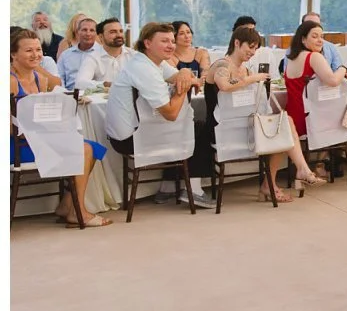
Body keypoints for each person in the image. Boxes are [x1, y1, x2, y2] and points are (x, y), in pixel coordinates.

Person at [205, 26, 327, 203]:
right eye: (250, 47)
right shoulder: (221, 65)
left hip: (245, 128)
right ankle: (282, 179)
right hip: (221, 130)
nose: (253, 52)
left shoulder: (245, 70)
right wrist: (252, 79)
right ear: (237, 43)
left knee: (284, 124)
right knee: (283, 127)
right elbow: (224, 86)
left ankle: (300, 170)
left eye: (256, 48)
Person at [9, 29, 112, 228]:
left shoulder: (41, 80)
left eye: (38, 50)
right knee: (84, 149)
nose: (36, 55)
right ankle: (77, 210)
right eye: (29, 50)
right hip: (16, 144)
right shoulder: (9, 81)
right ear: (13, 54)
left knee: (90, 147)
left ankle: (69, 205)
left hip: (40, 139)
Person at [105, 22, 212, 208]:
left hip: (135, 130)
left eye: (172, 40)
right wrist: (181, 91)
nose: (171, 45)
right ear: (147, 43)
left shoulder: (154, 62)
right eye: (164, 41)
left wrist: (185, 72)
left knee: (190, 126)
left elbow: (180, 76)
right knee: (201, 128)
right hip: (129, 138)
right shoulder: (144, 68)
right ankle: (193, 189)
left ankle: (168, 186)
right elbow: (170, 113)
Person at [283, 21, 347, 180]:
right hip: (310, 120)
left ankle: (317, 165)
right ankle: (325, 162)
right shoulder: (314, 57)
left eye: (322, 37)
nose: (320, 40)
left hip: (294, 117)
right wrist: (343, 69)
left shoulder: (291, 58)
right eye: (315, 36)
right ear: (303, 40)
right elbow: (332, 80)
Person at [74, 17, 133, 90]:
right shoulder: (93, 57)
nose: (119, 35)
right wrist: (106, 84)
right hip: (102, 100)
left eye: (121, 31)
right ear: (101, 37)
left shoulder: (133, 56)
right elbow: (80, 83)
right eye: (113, 32)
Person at [57, 17, 101, 89]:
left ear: (97, 34)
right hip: (70, 94)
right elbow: (59, 77)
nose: (88, 33)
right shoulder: (65, 55)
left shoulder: (103, 54)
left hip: (95, 95)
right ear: (78, 32)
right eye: (84, 30)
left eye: (92, 30)